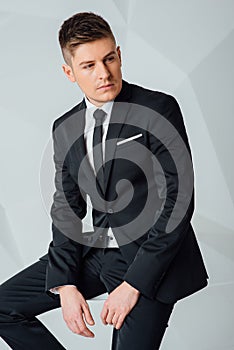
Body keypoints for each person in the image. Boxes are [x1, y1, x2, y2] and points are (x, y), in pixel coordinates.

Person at [0, 12, 208, 350]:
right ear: (69, 72)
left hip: (151, 258)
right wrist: (65, 285)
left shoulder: (159, 108)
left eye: (109, 58)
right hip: (99, 253)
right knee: (3, 306)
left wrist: (133, 285)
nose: (104, 73)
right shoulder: (65, 128)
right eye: (89, 66)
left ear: (119, 55)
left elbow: (178, 201)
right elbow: (66, 211)